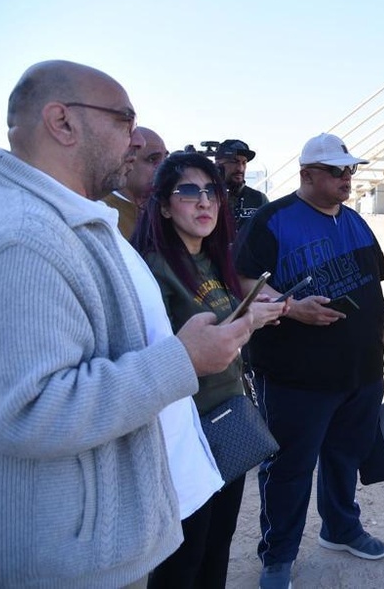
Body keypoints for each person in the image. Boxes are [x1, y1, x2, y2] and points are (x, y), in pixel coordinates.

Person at [0, 60, 252, 587]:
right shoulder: (26, 237)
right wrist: (183, 358)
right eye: (124, 120)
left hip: (79, 542)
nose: (133, 142)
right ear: (62, 122)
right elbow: (30, 412)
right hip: (61, 562)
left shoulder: (68, 220)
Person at [233, 132, 384, 589]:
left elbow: (372, 286)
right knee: (289, 468)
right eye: (337, 171)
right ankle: (278, 554)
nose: (347, 178)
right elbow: (242, 280)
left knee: (345, 457)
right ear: (307, 174)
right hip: (294, 376)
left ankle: (341, 528)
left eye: (350, 170)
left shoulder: (356, 221)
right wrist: (289, 307)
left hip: (360, 372)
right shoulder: (272, 219)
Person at [132, 151, 288, 587]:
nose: (204, 203)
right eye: (188, 191)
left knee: (219, 543)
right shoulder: (153, 268)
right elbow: (155, 356)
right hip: (185, 430)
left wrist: (252, 318)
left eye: (211, 193)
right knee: (185, 556)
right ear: (163, 205)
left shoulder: (214, 262)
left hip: (228, 424)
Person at [102, 126, 169, 238]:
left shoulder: (166, 210)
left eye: (166, 159)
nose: (163, 169)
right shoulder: (105, 214)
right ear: (128, 160)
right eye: (152, 159)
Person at [214, 138, 268, 233]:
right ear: (218, 164)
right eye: (234, 162)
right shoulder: (205, 197)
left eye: (244, 163)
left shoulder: (259, 199)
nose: (240, 168)